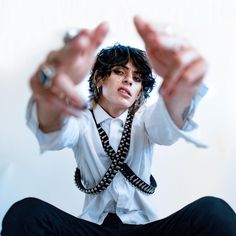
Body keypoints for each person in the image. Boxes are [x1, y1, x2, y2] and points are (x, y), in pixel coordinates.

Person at [1, 16, 236, 236]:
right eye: (119, 72)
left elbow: (164, 127)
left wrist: (180, 91)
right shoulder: (81, 120)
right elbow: (57, 130)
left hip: (145, 228)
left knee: (214, 212)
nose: (129, 81)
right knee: (26, 213)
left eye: (137, 78)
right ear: (100, 78)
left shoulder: (145, 118)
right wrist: (49, 99)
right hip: (92, 228)